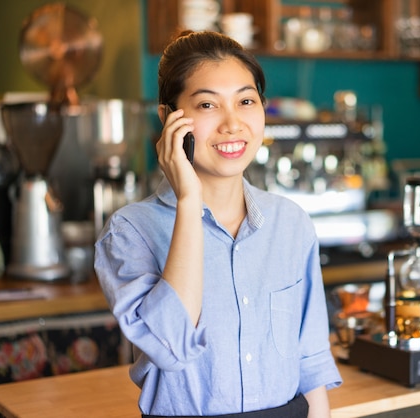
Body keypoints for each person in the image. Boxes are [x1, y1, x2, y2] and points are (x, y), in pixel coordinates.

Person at [94, 30, 342, 418]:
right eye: (208, 105)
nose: (232, 123)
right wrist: (189, 201)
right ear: (168, 118)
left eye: (246, 101)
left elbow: (310, 363)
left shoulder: (291, 223)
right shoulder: (130, 231)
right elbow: (171, 347)